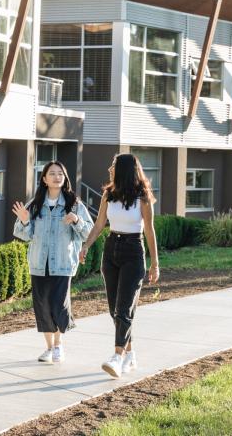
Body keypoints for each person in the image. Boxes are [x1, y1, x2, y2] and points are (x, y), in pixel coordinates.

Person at [79, 153, 160, 378]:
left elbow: (149, 230)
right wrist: (86, 246)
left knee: (124, 308)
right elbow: (99, 224)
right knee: (115, 309)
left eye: (114, 164)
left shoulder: (142, 197)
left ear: (124, 169)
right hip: (111, 249)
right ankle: (130, 354)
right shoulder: (108, 194)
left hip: (134, 252)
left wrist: (155, 263)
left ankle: (117, 357)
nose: (110, 167)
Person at [12, 161, 94, 364]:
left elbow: (89, 232)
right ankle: (49, 348)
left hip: (63, 264)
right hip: (39, 263)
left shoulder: (74, 203)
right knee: (42, 306)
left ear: (65, 178)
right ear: (44, 178)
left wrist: (76, 220)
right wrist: (24, 220)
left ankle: (58, 345)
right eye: (52, 173)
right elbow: (23, 234)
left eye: (61, 174)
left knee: (59, 305)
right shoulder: (35, 204)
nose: (57, 177)